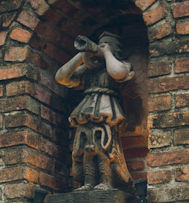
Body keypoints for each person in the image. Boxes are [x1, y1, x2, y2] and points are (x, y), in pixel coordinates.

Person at [55, 31, 135, 192]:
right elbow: (61, 77)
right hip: (87, 109)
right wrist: (81, 56)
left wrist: (106, 53)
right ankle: (88, 182)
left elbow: (118, 72)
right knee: (86, 147)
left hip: (107, 110)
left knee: (104, 146)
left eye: (106, 44)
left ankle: (107, 181)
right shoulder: (88, 69)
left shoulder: (121, 64)